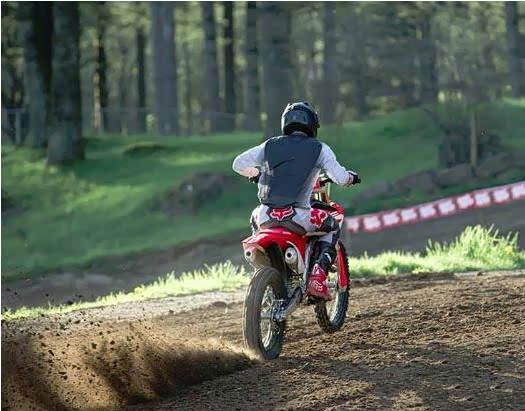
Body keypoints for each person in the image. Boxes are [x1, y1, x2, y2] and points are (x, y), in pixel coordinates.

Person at [232, 101, 360, 300]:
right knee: (332, 225)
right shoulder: (320, 148)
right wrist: (351, 178)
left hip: (265, 215)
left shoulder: (269, 145)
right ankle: (317, 276)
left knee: (254, 216)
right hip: (298, 216)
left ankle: (269, 267)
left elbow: (238, 164)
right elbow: (341, 178)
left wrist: (257, 174)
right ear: (312, 124)